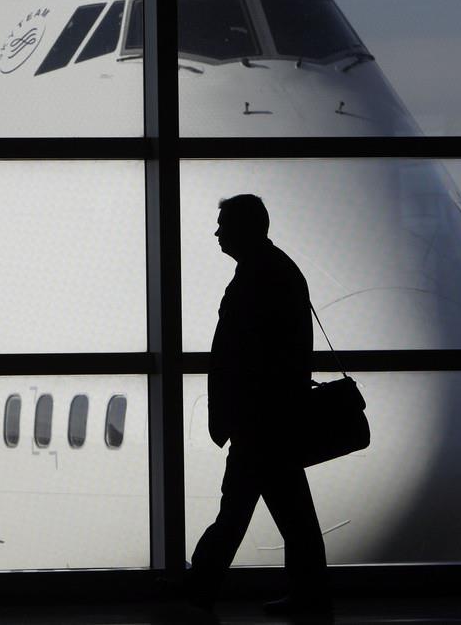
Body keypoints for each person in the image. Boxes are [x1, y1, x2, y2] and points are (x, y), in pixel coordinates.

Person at [186, 194, 331, 616]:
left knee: (238, 511)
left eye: (224, 224)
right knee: (289, 514)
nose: (217, 232)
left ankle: (199, 587)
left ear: (246, 228)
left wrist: (238, 411)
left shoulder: (258, 276)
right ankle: (308, 592)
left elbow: (245, 353)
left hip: (260, 421)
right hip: (272, 419)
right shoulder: (274, 270)